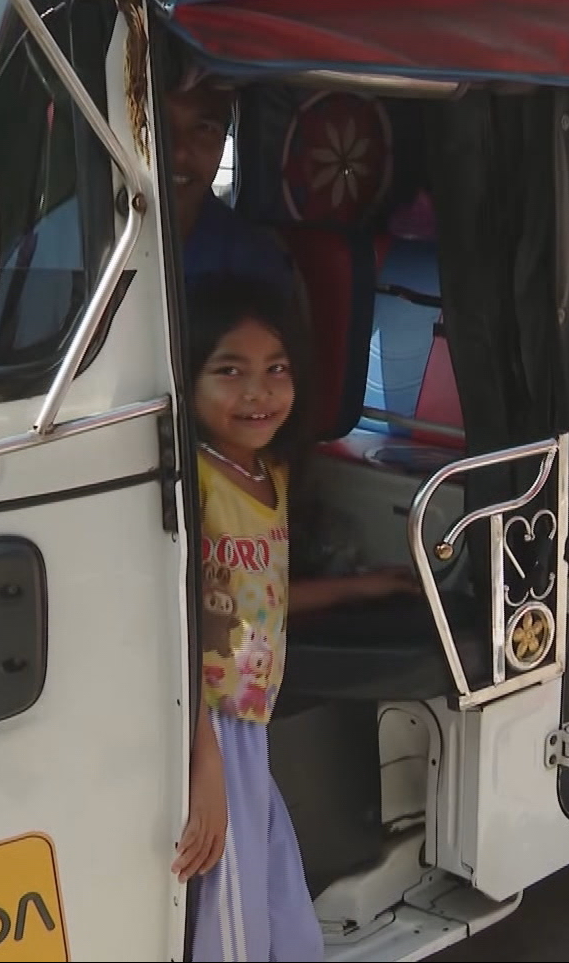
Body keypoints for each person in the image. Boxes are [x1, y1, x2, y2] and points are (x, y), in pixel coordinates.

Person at [172, 274, 417, 962]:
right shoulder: (198, 482)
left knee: (278, 898)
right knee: (231, 917)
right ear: (187, 378)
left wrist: (359, 589)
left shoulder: (268, 476)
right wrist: (205, 765)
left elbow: (261, 601)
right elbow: (177, 628)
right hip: (211, 725)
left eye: (276, 370)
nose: (258, 392)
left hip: (250, 728)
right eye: (230, 371)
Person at [164, 71, 300, 299]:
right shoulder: (90, 237)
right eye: (160, 125)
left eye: (204, 129)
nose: (179, 153)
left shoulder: (254, 261)